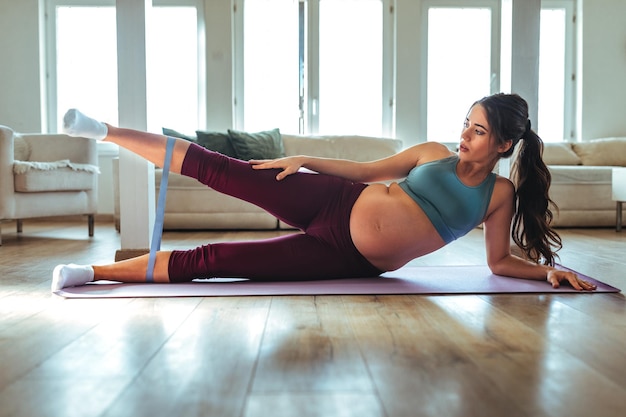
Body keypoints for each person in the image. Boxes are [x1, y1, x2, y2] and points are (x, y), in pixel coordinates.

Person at [51, 93, 597, 292]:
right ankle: (106, 131)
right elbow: (365, 171)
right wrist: (305, 159)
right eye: (465, 123)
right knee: (221, 169)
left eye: (478, 131)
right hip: (334, 200)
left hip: (349, 257)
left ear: (503, 143)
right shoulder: (433, 152)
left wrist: (544, 270)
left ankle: (93, 275)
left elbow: (500, 262)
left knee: (217, 260)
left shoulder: (498, 196)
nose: (464, 136)